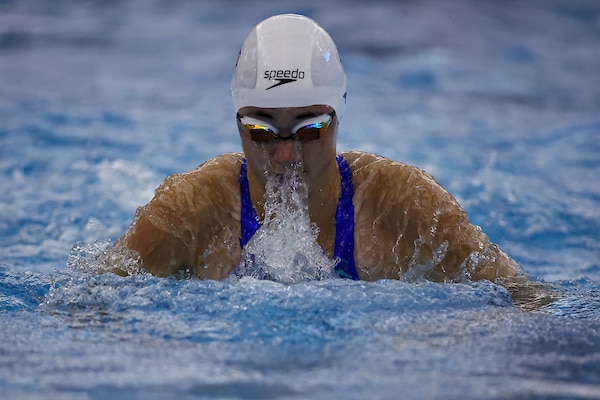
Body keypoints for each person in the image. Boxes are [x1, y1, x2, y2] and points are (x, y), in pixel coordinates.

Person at [114, 14, 524, 287]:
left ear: (338, 117)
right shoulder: (189, 209)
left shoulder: (402, 205)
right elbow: (92, 302)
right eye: (261, 130)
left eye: (309, 130)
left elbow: (522, 296)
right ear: (237, 123)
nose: (284, 155)